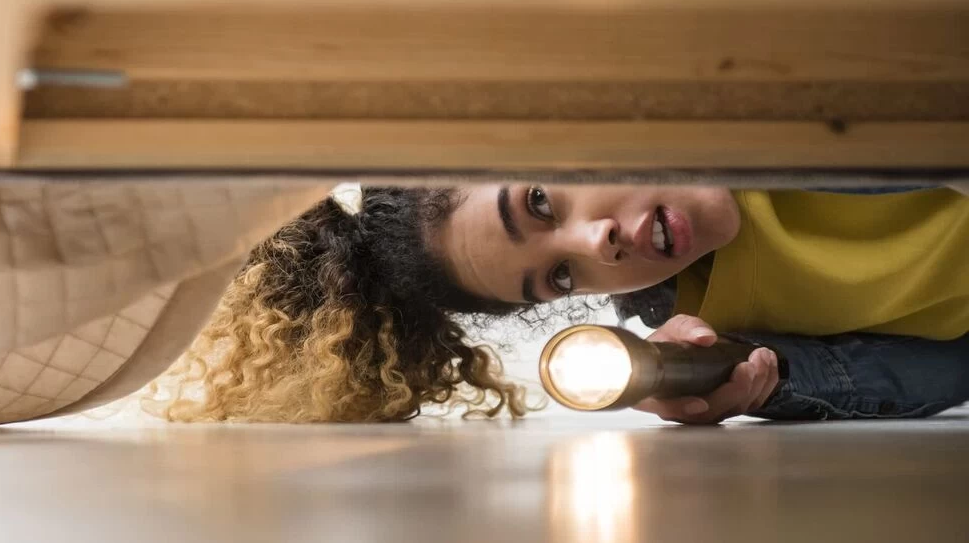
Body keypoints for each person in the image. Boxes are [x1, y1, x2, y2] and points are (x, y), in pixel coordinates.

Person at [156, 183, 969, 425]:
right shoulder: (709, 326)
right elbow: (952, 372)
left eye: (540, 202)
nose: (597, 245)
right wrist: (772, 379)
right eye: (560, 279)